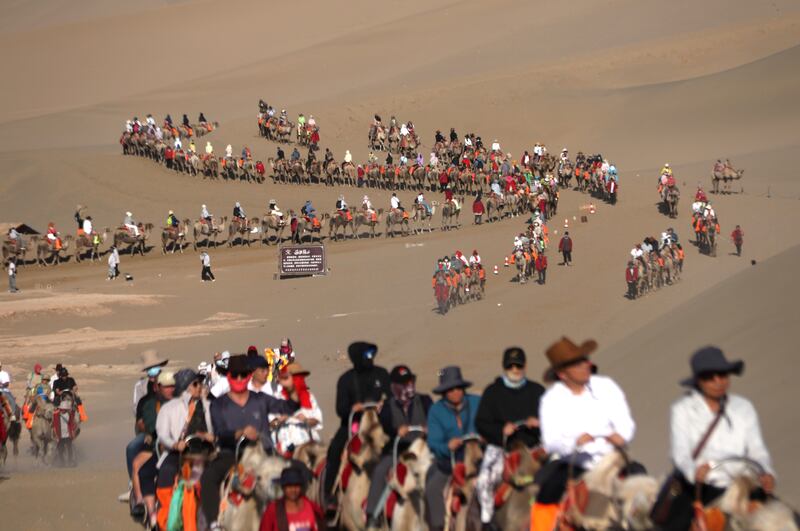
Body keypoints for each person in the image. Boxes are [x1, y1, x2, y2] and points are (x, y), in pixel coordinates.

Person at [659, 347, 775, 529]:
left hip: (743, 484)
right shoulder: (682, 409)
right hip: (703, 486)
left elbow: (757, 448)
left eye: (722, 375)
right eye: (709, 377)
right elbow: (679, 452)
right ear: (699, 380)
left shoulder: (743, 407)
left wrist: (766, 472)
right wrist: (694, 471)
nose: (718, 382)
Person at [536, 337, 640, 505]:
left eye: (585, 360)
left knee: (645, 490)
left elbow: (625, 422)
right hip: (576, 466)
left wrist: (621, 436)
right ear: (562, 374)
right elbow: (551, 442)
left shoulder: (606, 386)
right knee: (545, 498)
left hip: (613, 460)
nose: (586, 366)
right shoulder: (551, 399)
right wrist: (574, 443)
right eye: (577, 364)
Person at [200, 354, 301, 527]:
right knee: (208, 478)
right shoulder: (219, 404)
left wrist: (292, 390)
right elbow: (219, 432)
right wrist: (240, 432)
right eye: (235, 375)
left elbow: (289, 407)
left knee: (298, 470)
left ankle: (301, 517)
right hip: (232, 455)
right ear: (228, 376)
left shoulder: (260, 399)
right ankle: (213, 523)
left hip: (264, 452)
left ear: (248, 376)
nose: (239, 378)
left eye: (242, 375)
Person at [475, 348, 545, 528]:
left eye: (519, 365)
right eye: (511, 365)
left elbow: (554, 420)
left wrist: (539, 422)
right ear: (504, 367)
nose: (515, 369)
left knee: (560, 471)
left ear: (525, 366)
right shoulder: (492, 392)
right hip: (501, 447)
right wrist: (501, 429)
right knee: (484, 480)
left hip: (533, 448)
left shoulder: (537, 391)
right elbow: (481, 423)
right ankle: (487, 521)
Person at [322, 342, 391, 509]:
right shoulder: (346, 380)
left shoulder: (381, 374)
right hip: (352, 425)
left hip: (379, 423)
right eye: (365, 355)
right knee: (334, 451)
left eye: (370, 355)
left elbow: (391, 397)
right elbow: (341, 409)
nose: (369, 359)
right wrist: (354, 408)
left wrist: (383, 404)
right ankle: (328, 495)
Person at [365, 365, 433, 526]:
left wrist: (429, 428)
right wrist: (396, 430)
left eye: (409, 382)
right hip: (398, 451)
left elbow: (433, 417)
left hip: (422, 449)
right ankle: (372, 515)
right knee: (381, 470)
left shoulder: (425, 400)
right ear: (394, 386)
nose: (407, 386)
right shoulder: (387, 406)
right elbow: (386, 425)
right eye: (402, 383)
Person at [152, 369, 214, 529]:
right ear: (185, 387)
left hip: (206, 451)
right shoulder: (170, 408)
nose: (199, 386)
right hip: (178, 452)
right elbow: (163, 434)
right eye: (195, 383)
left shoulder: (208, 405)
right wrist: (175, 444)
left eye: (200, 383)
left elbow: (217, 427)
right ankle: (165, 521)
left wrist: (211, 436)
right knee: (166, 474)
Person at [425, 366, 480, 531]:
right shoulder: (436, 410)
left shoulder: (476, 402)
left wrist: (484, 436)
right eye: (450, 389)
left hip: (478, 459)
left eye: (458, 388)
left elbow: (488, 424)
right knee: (433, 488)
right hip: (450, 462)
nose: (455, 392)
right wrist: (446, 446)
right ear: (443, 392)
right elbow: (433, 442)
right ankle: (438, 526)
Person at [130, 370, 176, 517]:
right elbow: (144, 422)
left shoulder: (179, 402)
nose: (170, 389)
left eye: (172, 386)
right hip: (154, 441)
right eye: (166, 386)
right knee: (134, 454)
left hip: (176, 446)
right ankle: (141, 502)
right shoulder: (146, 399)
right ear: (157, 386)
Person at [272, 363, 323, 455]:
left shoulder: (309, 397)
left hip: (306, 441)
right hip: (283, 442)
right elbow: (270, 423)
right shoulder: (276, 397)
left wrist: (306, 420)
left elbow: (317, 420)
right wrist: (279, 420)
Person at [260, 466, 325, 531]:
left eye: (296, 485)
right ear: (283, 487)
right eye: (289, 486)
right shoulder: (273, 510)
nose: (293, 490)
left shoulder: (312, 508)